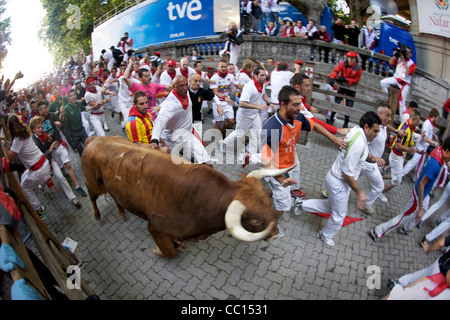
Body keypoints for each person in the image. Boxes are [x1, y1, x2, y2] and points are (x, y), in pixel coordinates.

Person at [297, 111, 382, 246]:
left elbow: (360, 153)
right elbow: (347, 173)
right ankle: (325, 235)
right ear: (366, 127)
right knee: (339, 216)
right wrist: (360, 192)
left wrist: (372, 158)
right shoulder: (359, 143)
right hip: (339, 183)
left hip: (335, 180)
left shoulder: (356, 131)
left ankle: (302, 204)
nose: (377, 135)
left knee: (329, 206)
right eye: (375, 131)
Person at [371, 137, 450, 242]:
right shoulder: (435, 164)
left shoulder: (439, 150)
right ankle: (378, 231)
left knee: (423, 210)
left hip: (423, 192)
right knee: (403, 217)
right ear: (447, 151)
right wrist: (420, 208)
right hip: (419, 193)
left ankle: (407, 227)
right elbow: (422, 184)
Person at [261, 86, 314, 234]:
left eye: (300, 104)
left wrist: (334, 136)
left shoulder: (296, 117)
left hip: (286, 169)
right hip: (276, 171)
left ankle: (261, 195)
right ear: (283, 105)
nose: (300, 108)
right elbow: (265, 161)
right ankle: (269, 227)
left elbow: (314, 125)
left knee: (282, 194)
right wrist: (281, 178)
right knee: (284, 205)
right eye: (296, 105)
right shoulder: (272, 128)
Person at [150, 76, 212, 166]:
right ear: (174, 87)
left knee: (206, 161)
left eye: (186, 85)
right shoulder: (171, 104)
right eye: (181, 86)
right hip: (171, 140)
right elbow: (159, 122)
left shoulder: (185, 93)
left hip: (187, 135)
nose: (185, 88)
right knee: (170, 168)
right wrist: (154, 139)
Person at [1, 115, 51, 219]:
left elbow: (10, 157)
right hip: (43, 164)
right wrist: (6, 141)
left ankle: (40, 211)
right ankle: (36, 203)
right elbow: (15, 147)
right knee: (23, 178)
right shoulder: (25, 134)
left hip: (39, 170)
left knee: (24, 187)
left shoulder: (17, 140)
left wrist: (4, 145)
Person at [35, 100, 87, 197]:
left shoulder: (51, 115)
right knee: (61, 166)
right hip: (51, 151)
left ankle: (77, 186)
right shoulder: (38, 122)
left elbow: (62, 122)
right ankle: (63, 171)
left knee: (68, 164)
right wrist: (46, 139)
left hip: (59, 145)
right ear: (40, 111)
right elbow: (37, 138)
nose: (47, 109)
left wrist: (59, 122)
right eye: (45, 108)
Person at [29, 117, 82, 209]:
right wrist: (51, 147)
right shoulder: (34, 142)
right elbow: (41, 156)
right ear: (33, 130)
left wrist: (54, 144)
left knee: (61, 177)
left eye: (41, 127)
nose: (41, 129)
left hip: (50, 161)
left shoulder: (44, 135)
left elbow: (49, 145)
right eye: (38, 128)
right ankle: (42, 187)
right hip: (41, 165)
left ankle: (73, 198)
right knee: (43, 180)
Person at [223, 67, 272, 165]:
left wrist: (270, 103)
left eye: (264, 75)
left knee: (258, 134)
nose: (264, 77)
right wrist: (258, 106)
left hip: (254, 115)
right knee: (238, 135)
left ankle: (248, 154)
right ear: (255, 75)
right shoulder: (249, 87)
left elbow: (263, 94)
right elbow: (241, 103)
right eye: (261, 75)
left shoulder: (261, 84)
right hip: (244, 116)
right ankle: (223, 144)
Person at [359, 105, 399, 215]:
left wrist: (396, 131)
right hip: (368, 163)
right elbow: (362, 145)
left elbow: (388, 127)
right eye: (388, 116)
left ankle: (329, 191)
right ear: (379, 114)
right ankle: (365, 205)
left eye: (390, 116)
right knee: (379, 186)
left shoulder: (383, 125)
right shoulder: (373, 129)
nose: (390, 119)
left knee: (351, 177)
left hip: (370, 164)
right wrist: (372, 158)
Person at [384, 235, 450, 300]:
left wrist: (428, 249)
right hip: (441, 277)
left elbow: (441, 243)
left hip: (440, 267)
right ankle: (400, 287)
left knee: (422, 275)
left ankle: (399, 283)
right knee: (422, 284)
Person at [379, 110, 421, 202]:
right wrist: (408, 149)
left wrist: (416, 150)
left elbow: (409, 143)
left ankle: (378, 178)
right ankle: (379, 192)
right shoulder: (405, 129)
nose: (418, 124)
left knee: (396, 175)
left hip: (399, 157)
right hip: (396, 156)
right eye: (417, 121)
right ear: (412, 119)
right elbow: (397, 145)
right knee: (397, 180)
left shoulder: (410, 128)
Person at [122, 56, 170, 121]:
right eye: (146, 76)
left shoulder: (154, 86)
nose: (149, 78)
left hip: (153, 118)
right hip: (142, 119)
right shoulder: (136, 87)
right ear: (140, 78)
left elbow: (168, 87)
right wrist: (130, 63)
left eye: (149, 75)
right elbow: (125, 77)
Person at [210, 59, 244, 146]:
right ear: (218, 67)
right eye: (222, 66)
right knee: (218, 122)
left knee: (231, 121)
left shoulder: (231, 76)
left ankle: (220, 130)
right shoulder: (214, 78)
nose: (224, 68)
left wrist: (250, 86)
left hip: (227, 101)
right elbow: (215, 92)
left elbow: (239, 86)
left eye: (225, 66)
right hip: (218, 102)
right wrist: (225, 98)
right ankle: (218, 142)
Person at [402, 108, 440, 182]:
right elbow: (425, 138)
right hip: (421, 147)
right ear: (434, 116)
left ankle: (415, 177)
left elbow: (429, 132)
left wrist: (434, 135)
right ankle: (402, 175)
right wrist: (434, 143)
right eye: (437, 118)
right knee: (413, 163)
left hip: (424, 147)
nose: (437, 120)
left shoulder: (430, 124)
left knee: (419, 164)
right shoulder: (427, 124)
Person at [328, 51, 363, 128]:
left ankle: (346, 122)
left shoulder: (358, 68)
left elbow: (356, 80)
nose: (350, 59)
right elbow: (336, 70)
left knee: (349, 106)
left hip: (351, 89)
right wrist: (332, 77)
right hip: (342, 86)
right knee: (337, 102)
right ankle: (331, 118)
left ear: (355, 59)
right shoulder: (343, 63)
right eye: (349, 57)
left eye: (352, 58)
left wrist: (346, 79)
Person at [380, 45, 416, 116]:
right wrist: (395, 56)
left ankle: (401, 119)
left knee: (402, 102)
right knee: (383, 83)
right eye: (406, 51)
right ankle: (387, 98)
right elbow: (390, 62)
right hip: (396, 79)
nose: (407, 53)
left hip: (404, 83)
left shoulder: (412, 63)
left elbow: (409, 72)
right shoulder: (399, 58)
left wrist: (404, 61)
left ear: (411, 54)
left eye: (409, 52)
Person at [188, 73, 219, 137]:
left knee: (198, 137)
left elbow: (213, 96)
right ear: (190, 81)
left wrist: (219, 105)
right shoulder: (184, 91)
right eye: (195, 81)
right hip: (186, 119)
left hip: (197, 117)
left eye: (199, 81)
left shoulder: (202, 91)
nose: (198, 83)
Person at [60, 89, 90, 156]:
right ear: (68, 98)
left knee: (88, 145)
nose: (73, 97)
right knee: (81, 151)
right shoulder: (66, 108)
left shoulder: (78, 104)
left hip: (82, 130)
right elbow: (62, 119)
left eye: (74, 95)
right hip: (74, 134)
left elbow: (85, 109)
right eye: (71, 96)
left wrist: (94, 106)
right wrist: (61, 113)